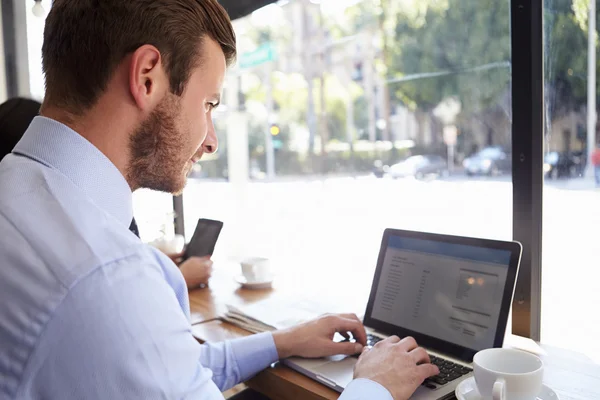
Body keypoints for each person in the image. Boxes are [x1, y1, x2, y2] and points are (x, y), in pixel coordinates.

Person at [0, 1, 438, 399]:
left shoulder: (15, 190)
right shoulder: (107, 280)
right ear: (147, 76)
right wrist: (374, 388)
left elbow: (165, 368)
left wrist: (283, 340)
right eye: (208, 103)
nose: (210, 141)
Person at [0, 97, 212, 289]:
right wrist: (178, 277)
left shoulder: (19, 215)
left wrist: (151, 263)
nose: (210, 143)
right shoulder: (81, 241)